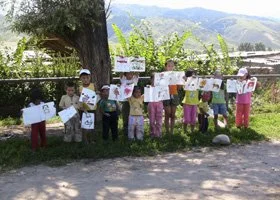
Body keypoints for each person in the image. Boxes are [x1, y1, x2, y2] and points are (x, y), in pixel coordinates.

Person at [78, 68, 97, 144]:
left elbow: (96, 93)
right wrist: (81, 107)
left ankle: (92, 139)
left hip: (92, 108)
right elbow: (80, 98)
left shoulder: (93, 85)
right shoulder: (80, 87)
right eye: (83, 78)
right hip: (84, 109)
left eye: (87, 78)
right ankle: (85, 140)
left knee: (92, 125)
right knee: (84, 125)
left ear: (90, 77)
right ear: (80, 79)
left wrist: (97, 93)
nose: (85, 79)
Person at [163, 60, 180, 134]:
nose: (170, 67)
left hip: (174, 94)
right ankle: (167, 131)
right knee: (168, 113)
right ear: (166, 67)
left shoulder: (177, 75)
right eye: (169, 66)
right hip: (166, 95)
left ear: (174, 67)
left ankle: (172, 131)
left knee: (173, 115)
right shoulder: (162, 75)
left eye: (172, 66)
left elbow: (179, 88)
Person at [120, 72, 139, 137]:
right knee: (125, 117)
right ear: (125, 74)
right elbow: (120, 72)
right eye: (128, 74)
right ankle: (125, 133)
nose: (130, 75)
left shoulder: (134, 79)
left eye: (131, 74)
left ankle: (135, 133)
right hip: (125, 101)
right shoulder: (123, 80)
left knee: (134, 117)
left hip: (134, 102)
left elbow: (137, 71)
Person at [182, 69, 199, 133]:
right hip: (187, 103)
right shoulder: (186, 83)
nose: (194, 76)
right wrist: (186, 79)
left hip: (194, 103)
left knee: (193, 119)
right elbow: (184, 86)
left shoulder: (197, 83)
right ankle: (185, 130)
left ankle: (192, 131)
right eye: (192, 75)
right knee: (186, 119)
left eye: (195, 74)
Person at [147, 73, 163, 138]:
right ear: (151, 80)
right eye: (154, 79)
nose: (156, 80)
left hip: (159, 104)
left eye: (157, 79)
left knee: (159, 119)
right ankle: (152, 133)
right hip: (151, 104)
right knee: (151, 120)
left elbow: (164, 95)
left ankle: (158, 133)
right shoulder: (148, 87)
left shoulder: (161, 87)